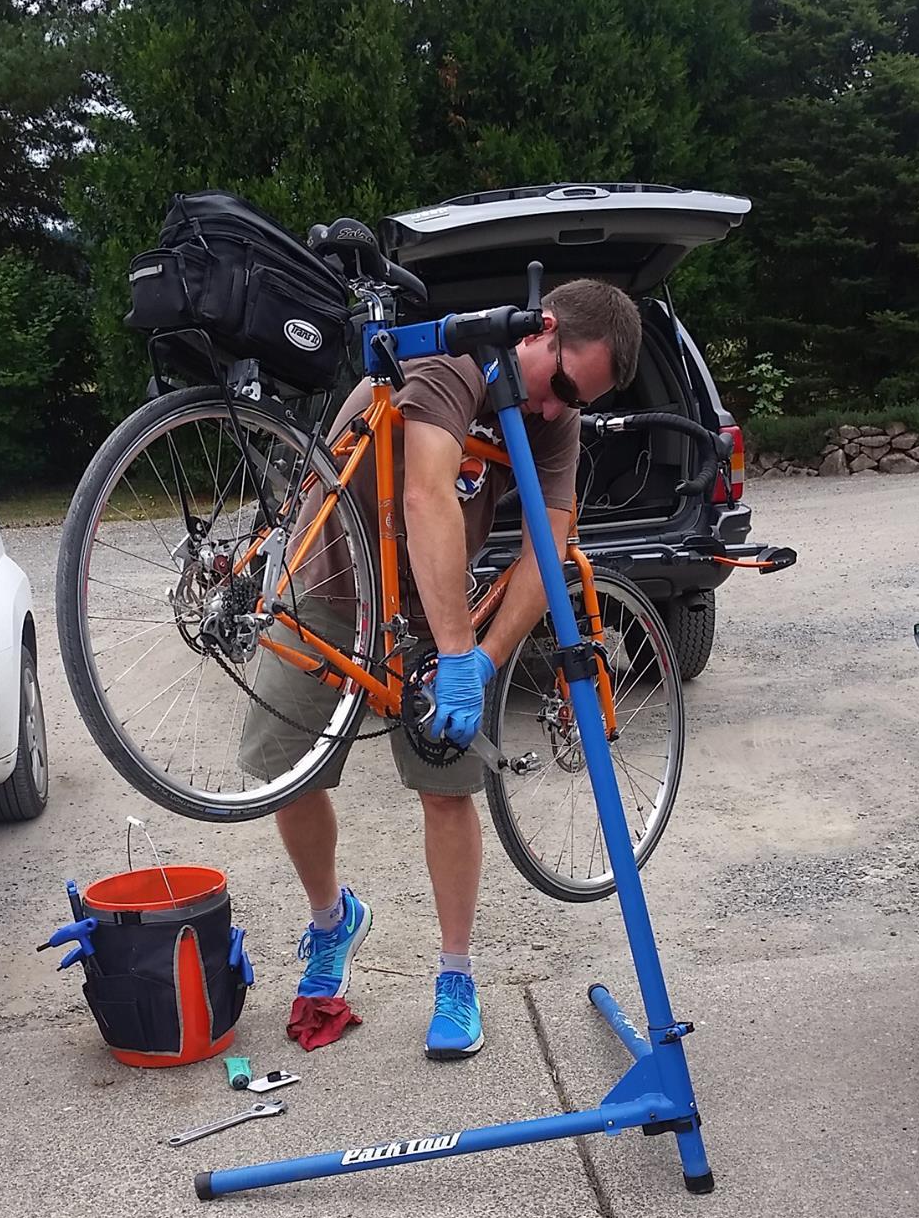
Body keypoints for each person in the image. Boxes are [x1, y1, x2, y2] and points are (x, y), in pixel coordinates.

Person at [239, 278, 642, 1059]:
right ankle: (332, 922)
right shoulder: (449, 360)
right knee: (285, 772)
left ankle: (456, 975)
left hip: (428, 608)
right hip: (326, 584)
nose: (557, 411)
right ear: (541, 331)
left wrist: (483, 662)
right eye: (560, 386)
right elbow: (426, 495)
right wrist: (460, 652)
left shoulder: (555, 419)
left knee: (447, 790)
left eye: (576, 402)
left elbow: (549, 550)